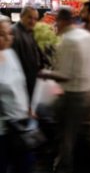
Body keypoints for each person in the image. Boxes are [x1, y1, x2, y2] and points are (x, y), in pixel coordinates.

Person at [40, 8, 90, 173]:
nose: (55, 27)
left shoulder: (66, 41)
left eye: (56, 23)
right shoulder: (87, 36)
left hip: (73, 97)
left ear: (62, 21)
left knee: (66, 139)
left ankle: (62, 167)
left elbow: (65, 75)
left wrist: (44, 73)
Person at [0, 15, 32, 173]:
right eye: (1, 34)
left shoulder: (10, 55)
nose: (7, 38)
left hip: (19, 125)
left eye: (9, 33)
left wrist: (27, 108)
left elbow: (20, 84)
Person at [11, 6, 42, 101]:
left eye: (35, 19)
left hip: (30, 81)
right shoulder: (14, 33)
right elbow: (14, 62)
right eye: (29, 17)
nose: (32, 21)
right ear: (21, 16)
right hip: (22, 84)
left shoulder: (29, 31)